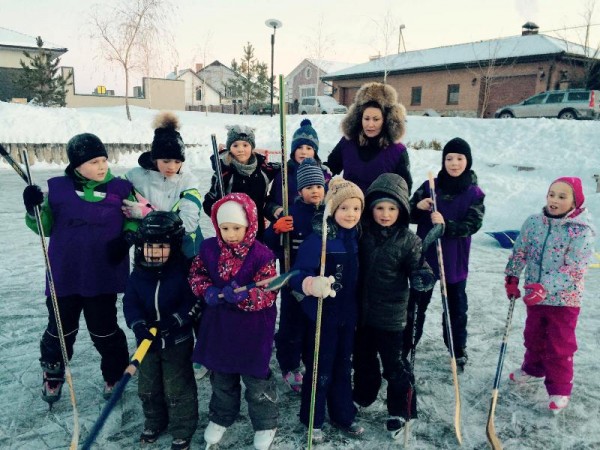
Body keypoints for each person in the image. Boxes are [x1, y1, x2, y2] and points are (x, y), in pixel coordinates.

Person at [21, 133, 133, 405]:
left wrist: (127, 237)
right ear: (77, 165)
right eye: (94, 161)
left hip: (101, 275)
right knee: (61, 329)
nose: (102, 166)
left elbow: (137, 216)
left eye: (104, 159)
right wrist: (32, 206)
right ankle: (53, 373)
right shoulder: (58, 191)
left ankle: (114, 374)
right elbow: (43, 226)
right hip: (65, 274)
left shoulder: (121, 189)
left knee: (104, 329)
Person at [189, 193, 279, 450]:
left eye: (236, 228)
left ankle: (265, 422)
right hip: (219, 326)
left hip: (252, 329)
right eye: (225, 228)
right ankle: (221, 416)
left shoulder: (262, 255)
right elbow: (197, 273)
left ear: (249, 226)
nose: (230, 234)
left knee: (255, 379)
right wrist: (206, 289)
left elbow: (269, 292)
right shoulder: (208, 249)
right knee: (221, 375)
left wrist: (243, 296)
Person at [352, 173, 435, 439]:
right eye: (379, 208)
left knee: (395, 366)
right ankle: (363, 395)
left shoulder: (409, 240)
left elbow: (421, 268)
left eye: (392, 208)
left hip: (392, 317)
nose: (385, 214)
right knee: (363, 361)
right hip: (363, 314)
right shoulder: (361, 233)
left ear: (401, 210)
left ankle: (401, 409)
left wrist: (423, 277)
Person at [504, 177, 595, 413]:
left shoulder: (581, 231)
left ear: (575, 202)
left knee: (559, 345)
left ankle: (560, 389)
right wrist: (512, 277)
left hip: (564, 300)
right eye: (551, 194)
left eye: (562, 196)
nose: (554, 200)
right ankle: (533, 369)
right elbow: (520, 251)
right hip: (535, 298)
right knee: (533, 336)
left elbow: (575, 269)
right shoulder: (534, 223)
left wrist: (544, 287)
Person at [289, 178, 365, 444]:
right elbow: (296, 275)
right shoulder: (318, 240)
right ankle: (313, 418)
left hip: (348, 315)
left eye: (356, 209)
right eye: (344, 208)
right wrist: (311, 283)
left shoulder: (357, 237)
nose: (351, 214)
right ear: (332, 209)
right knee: (320, 368)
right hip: (323, 316)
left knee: (344, 366)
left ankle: (343, 413)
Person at [407, 137, 485, 371]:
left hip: (454, 258)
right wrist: (417, 208)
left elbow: (473, 223)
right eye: (449, 158)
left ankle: (457, 348)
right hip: (426, 256)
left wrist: (446, 225)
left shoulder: (474, 193)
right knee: (417, 303)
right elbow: (405, 213)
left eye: (459, 158)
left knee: (456, 306)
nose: (454, 163)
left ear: (467, 161)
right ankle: (407, 343)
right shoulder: (430, 185)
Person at [123, 211, 198, 450]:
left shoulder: (183, 272)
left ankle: (182, 429)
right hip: (147, 342)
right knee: (148, 386)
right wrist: (138, 325)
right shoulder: (138, 275)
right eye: (148, 246)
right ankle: (155, 421)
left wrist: (174, 321)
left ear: (174, 246)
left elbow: (192, 303)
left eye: (161, 246)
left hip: (176, 341)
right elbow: (130, 303)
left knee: (178, 387)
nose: (154, 252)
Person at [264, 158, 326, 393]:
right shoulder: (293, 213)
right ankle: (289, 365)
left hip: (319, 280)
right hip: (293, 280)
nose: (315, 191)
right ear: (300, 190)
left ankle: (313, 364)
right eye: (310, 187)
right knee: (292, 325)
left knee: (315, 324)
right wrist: (275, 229)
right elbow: (271, 244)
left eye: (319, 186)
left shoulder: (329, 212)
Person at [122, 111, 203, 260]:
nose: (172, 167)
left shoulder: (189, 181)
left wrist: (148, 214)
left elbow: (189, 223)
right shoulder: (135, 177)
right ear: (155, 159)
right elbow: (115, 197)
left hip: (184, 251)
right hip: (150, 251)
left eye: (177, 162)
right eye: (166, 161)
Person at [325, 82, 412, 193]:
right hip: (350, 207)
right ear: (359, 118)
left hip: (379, 208)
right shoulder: (347, 143)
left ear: (385, 120)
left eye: (376, 119)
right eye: (366, 119)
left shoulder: (397, 150)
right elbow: (330, 169)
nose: (370, 124)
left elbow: (404, 188)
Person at [202, 125, 280, 240]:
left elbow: (285, 168)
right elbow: (209, 202)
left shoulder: (262, 168)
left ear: (252, 147)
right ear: (229, 147)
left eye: (245, 145)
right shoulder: (224, 172)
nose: (240, 149)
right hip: (232, 235)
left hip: (257, 234)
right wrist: (221, 213)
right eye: (235, 145)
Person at [265, 118, 330, 220]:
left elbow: (331, 202)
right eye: (299, 147)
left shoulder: (323, 174)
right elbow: (269, 203)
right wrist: (275, 209)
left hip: (315, 228)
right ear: (293, 150)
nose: (303, 152)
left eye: (309, 148)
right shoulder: (284, 174)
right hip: (289, 227)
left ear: (315, 152)